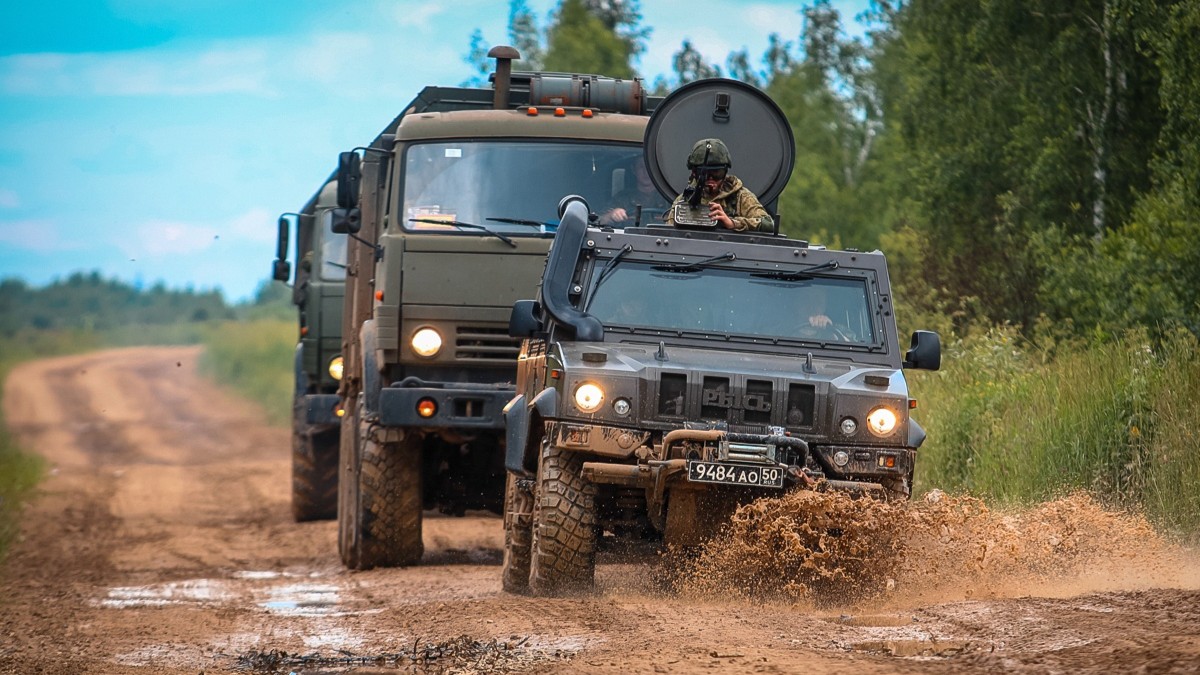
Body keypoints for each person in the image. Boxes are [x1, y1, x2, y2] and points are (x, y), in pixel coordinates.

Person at [666, 138, 774, 232]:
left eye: (717, 173)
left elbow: (768, 224)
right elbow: (670, 236)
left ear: (725, 173)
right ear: (694, 173)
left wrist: (733, 223)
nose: (711, 179)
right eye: (705, 174)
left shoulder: (740, 197)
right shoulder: (685, 201)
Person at [598, 160, 668, 227]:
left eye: (649, 167)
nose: (646, 171)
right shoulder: (622, 198)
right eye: (641, 167)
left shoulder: (667, 199)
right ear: (634, 170)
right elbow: (598, 221)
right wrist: (612, 215)